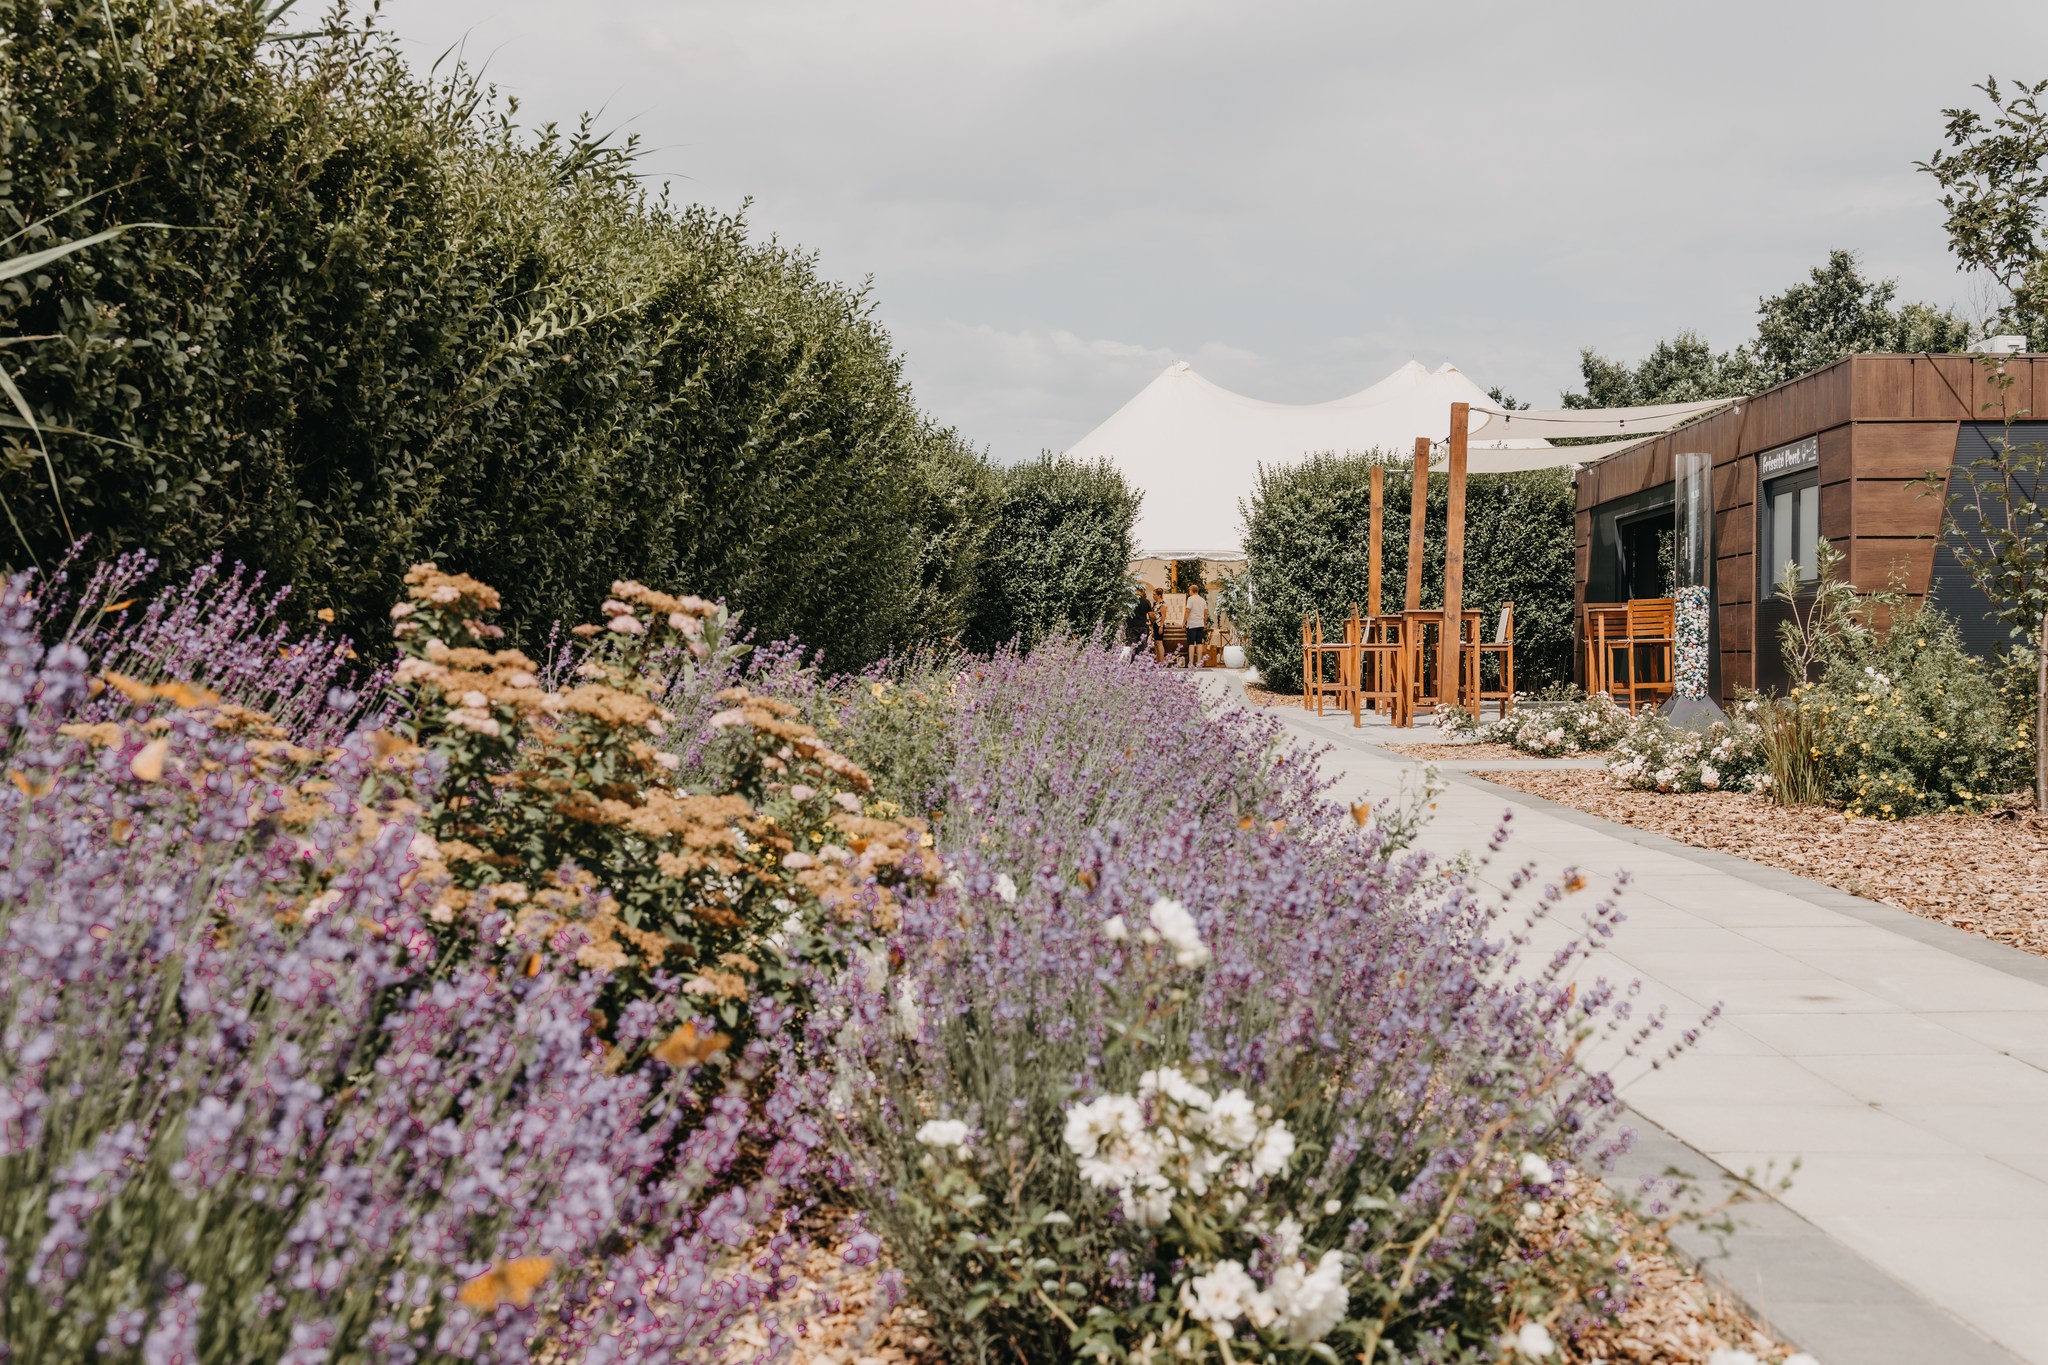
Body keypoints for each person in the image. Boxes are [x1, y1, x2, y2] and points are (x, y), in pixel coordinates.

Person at [1183, 586, 1208, 668]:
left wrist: (1183, 622)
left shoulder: (1190, 599)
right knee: (1199, 643)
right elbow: (1205, 613)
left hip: (1192, 624)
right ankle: (1199, 662)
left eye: (1189, 590)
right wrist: (1204, 623)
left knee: (1191, 643)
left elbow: (1187, 611)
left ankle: (1191, 663)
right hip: (1200, 624)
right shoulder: (1202, 600)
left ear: (1191, 591)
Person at [1122, 586, 1151, 659]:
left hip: (1131, 626)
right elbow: (1151, 615)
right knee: (1142, 648)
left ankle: (1132, 663)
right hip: (1142, 626)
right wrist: (1152, 623)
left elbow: (1124, 614)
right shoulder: (1146, 601)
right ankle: (1141, 663)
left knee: (1132, 647)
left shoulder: (1129, 602)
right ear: (1141, 591)